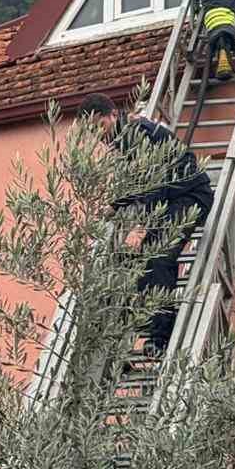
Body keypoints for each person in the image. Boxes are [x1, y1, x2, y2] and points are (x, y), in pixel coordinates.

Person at [82, 93, 215, 358]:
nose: (99, 135)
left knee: (158, 258)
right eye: (92, 131)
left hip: (189, 197)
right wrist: (116, 205)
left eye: (100, 126)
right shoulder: (126, 137)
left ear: (112, 115)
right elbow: (140, 183)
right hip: (171, 199)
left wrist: (141, 226)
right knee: (145, 261)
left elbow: (153, 180)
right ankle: (152, 328)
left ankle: (161, 335)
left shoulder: (136, 133)